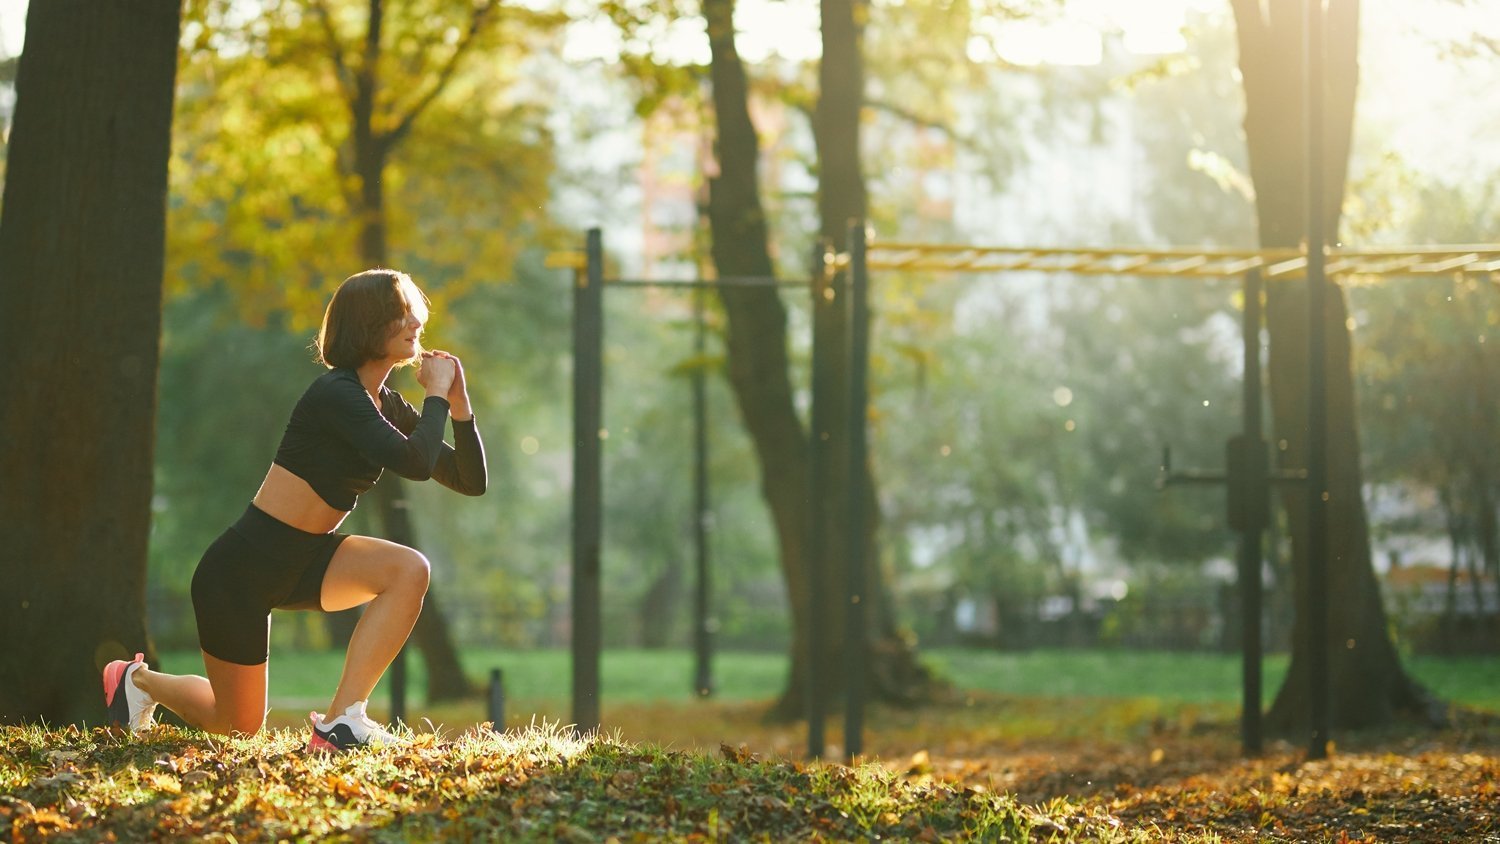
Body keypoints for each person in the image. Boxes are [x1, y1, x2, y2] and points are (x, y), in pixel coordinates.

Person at [100, 269, 487, 752]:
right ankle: (139, 682)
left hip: (307, 562)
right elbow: (414, 461)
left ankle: (342, 721)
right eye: (399, 312)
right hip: (239, 572)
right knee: (237, 726)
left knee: (409, 570)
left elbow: (470, 481)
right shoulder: (337, 394)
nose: (415, 321)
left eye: (414, 311)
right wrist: (433, 396)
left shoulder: (384, 401)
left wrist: (459, 406)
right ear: (368, 324)